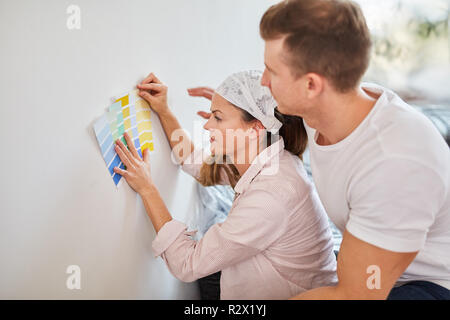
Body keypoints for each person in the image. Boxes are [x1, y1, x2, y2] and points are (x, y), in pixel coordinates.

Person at [189, 0, 450, 300]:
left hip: (426, 285)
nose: (263, 82)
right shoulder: (329, 105)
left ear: (311, 85)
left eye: (271, 72)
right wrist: (232, 108)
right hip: (373, 264)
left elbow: (354, 295)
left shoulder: (394, 162)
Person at [113, 70, 337, 299]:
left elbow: (187, 263)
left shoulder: (271, 195)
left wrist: (147, 188)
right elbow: (197, 165)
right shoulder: (269, 156)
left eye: (218, 117)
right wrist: (163, 110)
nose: (207, 126)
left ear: (256, 129)